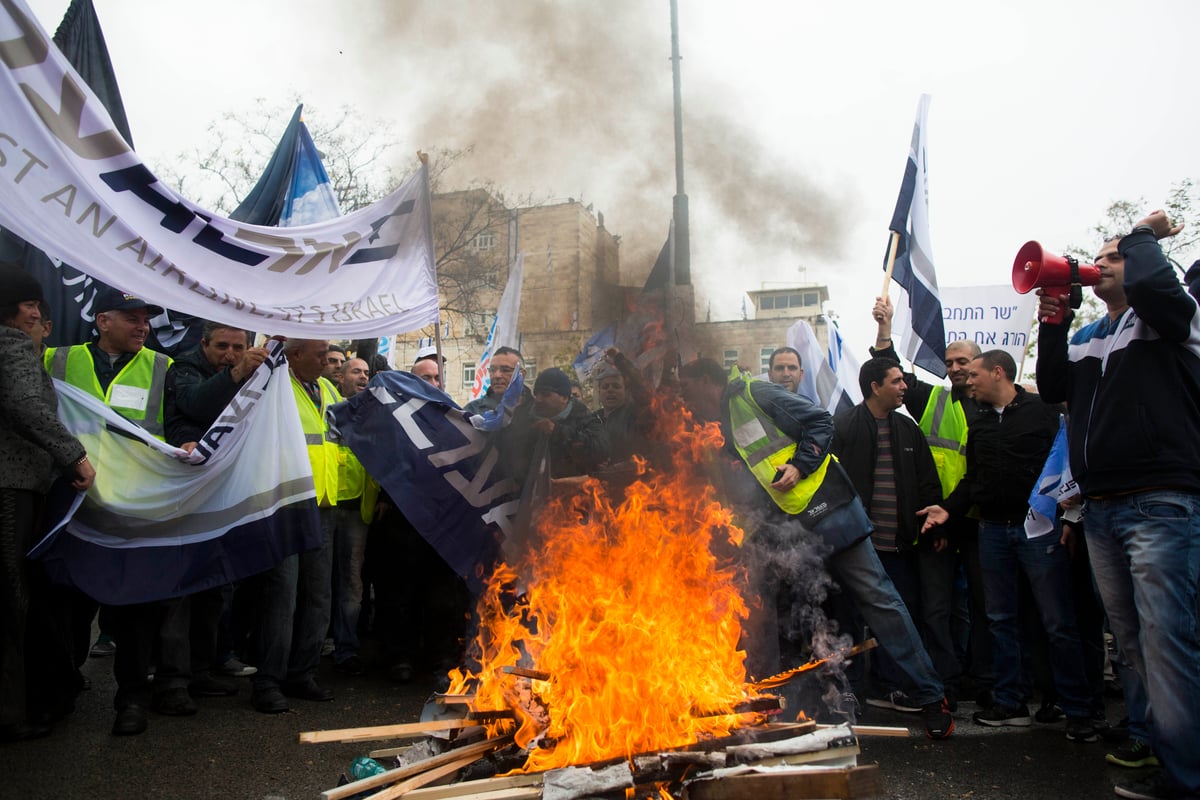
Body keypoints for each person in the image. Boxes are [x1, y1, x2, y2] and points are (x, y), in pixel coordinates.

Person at [677, 357, 954, 740]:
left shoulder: (756, 393)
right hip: (776, 532)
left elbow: (821, 422)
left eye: (689, 389)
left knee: (879, 600)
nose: (687, 399)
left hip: (829, 513)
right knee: (756, 611)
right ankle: (764, 702)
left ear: (707, 380)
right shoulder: (708, 426)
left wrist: (799, 465)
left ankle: (930, 696)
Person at [1036, 210, 1200, 800]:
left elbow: (1162, 293)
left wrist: (1142, 234)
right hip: (1102, 507)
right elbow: (1053, 384)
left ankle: (1188, 778)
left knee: (1167, 638)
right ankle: (1154, 742)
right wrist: (1054, 319)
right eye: (1099, 256)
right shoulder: (1092, 337)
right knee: (1129, 642)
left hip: (1159, 498)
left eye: (1113, 256)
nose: (1098, 263)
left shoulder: (1171, 317)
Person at [919, 350, 1096, 743]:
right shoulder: (979, 422)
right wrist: (948, 510)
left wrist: (1073, 512)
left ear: (998, 373)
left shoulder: (1044, 412)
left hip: (1040, 531)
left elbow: (1069, 462)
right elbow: (974, 479)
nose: (968, 381)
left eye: (975, 374)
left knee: (1056, 620)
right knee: (1000, 619)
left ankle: (1078, 709)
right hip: (992, 531)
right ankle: (1011, 703)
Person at [44, 287, 172, 735]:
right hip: (72, 508)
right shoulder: (55, 361)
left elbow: (181, 420)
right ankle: (61, 691)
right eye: (132, 318)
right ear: (102, 321)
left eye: (146, 319)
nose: (144, 327)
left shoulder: (162, 368)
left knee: (135, 609)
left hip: (132, 510)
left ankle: (132, 700)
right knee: (68, 606)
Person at [871, 296, 991, 706]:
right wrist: (885, 330)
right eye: (951, 362)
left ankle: (985, 681)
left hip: (980, 525)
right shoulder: (933, 399)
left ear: (981, 367)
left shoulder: (998, 408)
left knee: (983, 609)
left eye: (965, 363)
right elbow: (892, 373)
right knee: (936, 610)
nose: (956, 368)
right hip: (935, 526)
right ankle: (947, 683)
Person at [0, 263, 95, 742]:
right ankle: (15, 710)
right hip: (13, 486)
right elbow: (25, 405)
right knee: (15, 598)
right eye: (29, 304)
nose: (37, 313)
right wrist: (74, 455)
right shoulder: (10, 344)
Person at [832, 357, 952, 713]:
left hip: (899, 544)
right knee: (848, 617)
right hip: (856, 545)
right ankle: (848, 687)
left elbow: (927, 479)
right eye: (897, 381)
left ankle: (890, 687)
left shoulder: (907, 428)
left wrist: (935, 525)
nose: (904, 387)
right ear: (875, 387)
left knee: (897, 617)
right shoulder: (844, 425)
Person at [161, 322, 269, 697]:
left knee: (214, 588)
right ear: (203, 343)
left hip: (227, 493)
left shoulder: (253, 373)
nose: (231, 355)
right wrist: (237, 374)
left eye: (239, 348)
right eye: (222, 346)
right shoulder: (184, 369)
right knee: (181, 590)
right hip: (187, 495)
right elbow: (192, 405)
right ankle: (172, 679)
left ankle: (202, 669)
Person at [245, 339, 339, 713]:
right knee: (282, 595)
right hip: (285, 505)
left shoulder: (328, 388)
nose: (328, 360)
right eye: (320, 354)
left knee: (318, 595)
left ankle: (302, 672)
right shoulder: (275, 384)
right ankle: (268, 680)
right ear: (295, 355)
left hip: (324, 504)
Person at [330, 355, 375, 677]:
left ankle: (346, 648)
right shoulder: (326, 406)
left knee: (351, 585)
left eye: (367, 373)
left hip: (357, 512)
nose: (362, 377)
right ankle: (319, 643)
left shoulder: (372, 413)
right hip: (326, 505)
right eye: (355, 371)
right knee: (318, 586)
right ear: (340, 377)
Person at [463, 346, 526, 415]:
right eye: (492, 370)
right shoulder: (472, 411)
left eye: (505, 370)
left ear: (522, 374)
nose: (497, 375)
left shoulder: (536, 407)